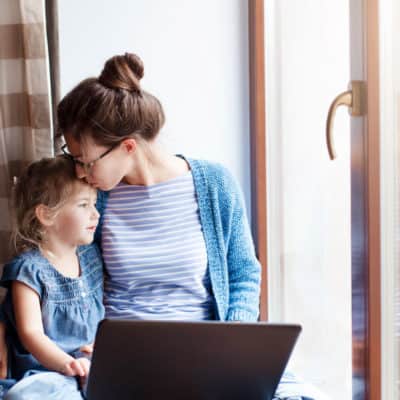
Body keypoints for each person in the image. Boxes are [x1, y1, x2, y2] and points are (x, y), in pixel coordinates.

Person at [1, 52, 327, 399]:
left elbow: (244, 273)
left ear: (127, 147)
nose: (80, 172)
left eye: (85, 161)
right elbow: (52, 273)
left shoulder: (214, 184)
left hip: (209, 353)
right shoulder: (94, 203)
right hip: (121, 359)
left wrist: (231, 344)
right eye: (74, 159)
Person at [0, 155, 104, 399]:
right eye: (83, 205)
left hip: (90, 366)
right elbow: (31, 333)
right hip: (45, 373)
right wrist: (67, 364)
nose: (95, 214)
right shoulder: (29, 269)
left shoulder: (91, 256)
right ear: (46, 215)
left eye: (95, 204)